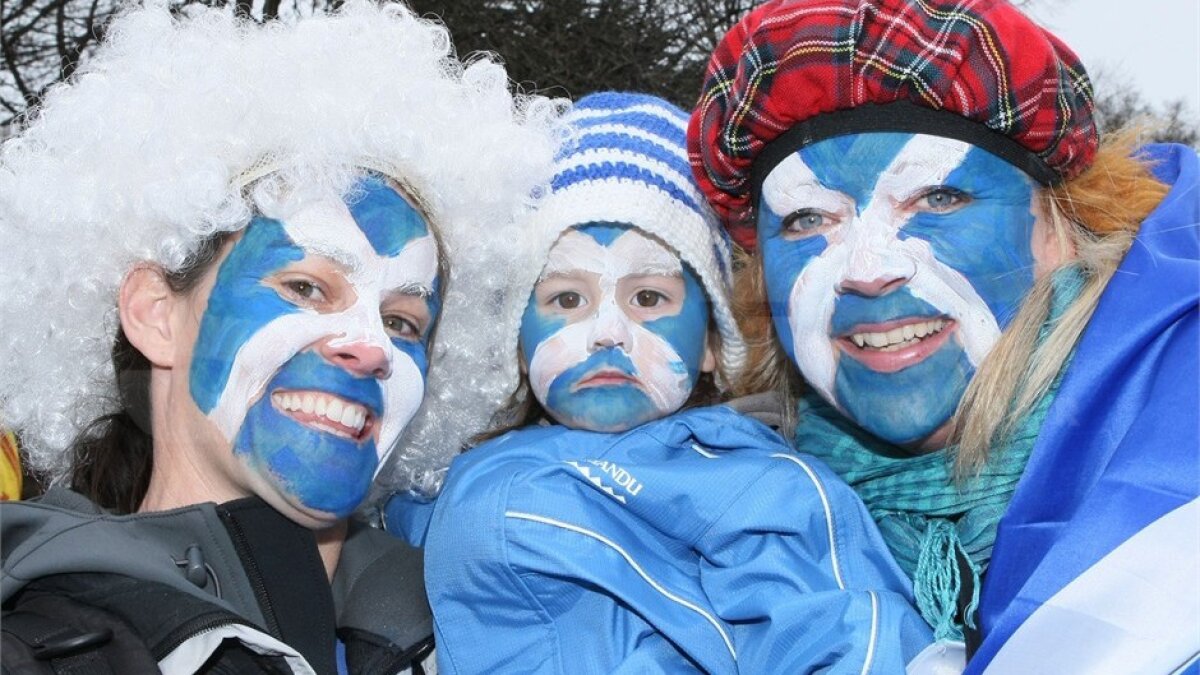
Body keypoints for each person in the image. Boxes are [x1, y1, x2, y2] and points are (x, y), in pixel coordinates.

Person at [0, 4, 557, 673]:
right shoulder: (38, 649)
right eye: (306, 287)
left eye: (403, 321)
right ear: (154, 314)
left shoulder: (496, 632)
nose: (370, 346)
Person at [688, 0, 1199, 671]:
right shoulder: (724, 524)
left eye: (939, 199)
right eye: (808, 219)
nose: (867, 269)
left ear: (1059, 229)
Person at [385, 92, 938, 674]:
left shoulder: (752, 484)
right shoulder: (449, 473)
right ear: (516, 345)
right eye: (566, 299)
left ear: (711, 343)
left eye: (648, 298)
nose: (608, 332)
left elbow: (845, 631)